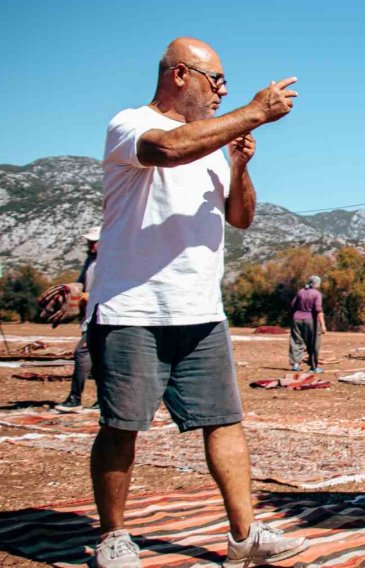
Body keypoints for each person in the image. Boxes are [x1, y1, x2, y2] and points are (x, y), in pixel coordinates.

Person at [84, 37, 306, 568]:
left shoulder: (211, 149)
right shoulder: (131, 124)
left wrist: (240, 167)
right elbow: (167, 149)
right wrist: (252, 112)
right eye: (217, 81)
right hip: (132, 310)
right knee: (122, 427)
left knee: (224, 422)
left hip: (201, 313)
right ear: (180, 75)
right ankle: (114, 538)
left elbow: (241, 218)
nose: (223, 92)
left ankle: (244, 536)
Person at [55, 226, 101, 413]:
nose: (90, 245)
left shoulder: (111, 261)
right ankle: (101, 400)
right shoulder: (90, 260)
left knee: (82, 355)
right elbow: (81, 281)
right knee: (98, 360)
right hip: (89, 316)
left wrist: (90, 295)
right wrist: (69, 288)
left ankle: (75, 398)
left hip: (101, 317)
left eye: (94, 242)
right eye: (89, 242)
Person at [289, 275, 327, 373]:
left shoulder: (300, 292)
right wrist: (323, 325)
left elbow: (292, 305)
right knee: (313, 342)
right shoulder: (316, 294)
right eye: (319, 282)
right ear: (316, 283)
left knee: (296, 341)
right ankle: (313, 367)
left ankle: (295, 364)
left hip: (296, 319)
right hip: (310, 320)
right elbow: (318, 310)